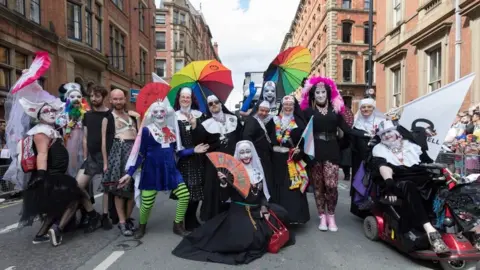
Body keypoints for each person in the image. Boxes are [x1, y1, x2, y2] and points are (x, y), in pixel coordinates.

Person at [172, 140, 293, 265]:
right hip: (240, 211)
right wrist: (224, 183)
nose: (246, 156)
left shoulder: (258, 170)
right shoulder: (232, 173)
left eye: (248, 152)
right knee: (249, 238)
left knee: (281, 214)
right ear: (238, 155)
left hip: (257, 208)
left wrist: (264, 208)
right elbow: (225, 197)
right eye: (242, 153)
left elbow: (261, 195)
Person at [369, 120, 450, 255]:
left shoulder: (411, 145)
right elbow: (383, 166)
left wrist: (444, 171)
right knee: (409, 186)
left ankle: (449, 227)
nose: (387, 135)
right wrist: (389, 182)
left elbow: (427, 161)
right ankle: (431, 232)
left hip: (421, 178)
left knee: (444, 187)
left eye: (389, 131)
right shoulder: (379, 149)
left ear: (396, 132)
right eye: (383, 134)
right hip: (399, 181)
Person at [120, 99, 198, 238]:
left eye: (162, 111)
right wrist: (129, 173)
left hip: (170, 171)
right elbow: (141, 154)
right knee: (147, 204)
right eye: (155, 112)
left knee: (184, 195)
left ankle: (177, 225)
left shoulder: (172, 130)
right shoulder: (147, 131)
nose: (159, 114)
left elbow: (178, 152)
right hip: (151, 172)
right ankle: (142, 226)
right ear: (152, 114)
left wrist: (194, 150)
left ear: (166, 113)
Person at [16, 96, 85, 246]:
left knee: (57, 205)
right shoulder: (41, 131)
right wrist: (41, 175)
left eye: (53, 110)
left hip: (57, 174)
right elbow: (42, 154)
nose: (52, 113)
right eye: (47, 111)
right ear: (39, 115)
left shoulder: (50, 130)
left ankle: (41, 235)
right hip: (50, 175)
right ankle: (58, 229)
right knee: (74, 199)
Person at [300, 76, 364, 231]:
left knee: (331, 185)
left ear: (327, 93)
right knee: (318, 186)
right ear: (313, 95)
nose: (320, 95)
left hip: (332, 150)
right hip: (314, 152)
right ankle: (322, 216)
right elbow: (301, 131)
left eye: (323, 92)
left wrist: (365, 134)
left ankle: (331, 215)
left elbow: (347, 130)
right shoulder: (308, 111)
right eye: (317, 93)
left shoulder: (335, 111)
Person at [193, 95, 242, 221]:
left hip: (233, 160)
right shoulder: (205, 125)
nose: (214, 105)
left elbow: (241, 138)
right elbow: (198, 142)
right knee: (214, 190)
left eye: (216, 102)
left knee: (234, 186)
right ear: (208, 108)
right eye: (210, 104)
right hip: (214, 163)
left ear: (221, 104)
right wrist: (194, 126)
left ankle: (235, 216)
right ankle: (214, 218)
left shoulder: (233, 119)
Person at [75, 85, 115, 231]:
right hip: (91, 157)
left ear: (103, 97)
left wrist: (107, 160)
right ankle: (92, 213)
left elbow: (108, 138)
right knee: (77, 186)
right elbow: (85, 138)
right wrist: (86, 157)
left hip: (107, 154)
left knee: (106, 187)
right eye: (91, 96)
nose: (93, 99)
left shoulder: (109, 115)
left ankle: (105, 215)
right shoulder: (87, 115)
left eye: (97, 96)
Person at [100, 89, 139, 236]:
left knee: (134, 189)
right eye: (115, 99)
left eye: (120, 99)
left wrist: (139, 118)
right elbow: (103, 141)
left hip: (133, 152)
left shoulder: (132, 116)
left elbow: (140, 134)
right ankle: (122, 222)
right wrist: (105, 163)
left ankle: (127, 218)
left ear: (125, 99)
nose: (118, 102)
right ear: (110, 100)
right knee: (119, 190)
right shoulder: (107, 117)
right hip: (118, 153)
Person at [269, 95, 310, 225]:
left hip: (291, 159)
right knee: (277, 188)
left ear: (294, 106)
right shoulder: (273, 120)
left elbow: (305, 142)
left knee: (291, 189)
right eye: (285, 105)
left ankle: (293, 218)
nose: (288, 107)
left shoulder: (299, 123)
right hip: (275, 159)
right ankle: (277, 217)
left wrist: (300, 152)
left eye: (290, 105)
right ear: (281, 106)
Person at [172, 87, 208, 230]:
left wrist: (194, 125)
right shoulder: (173, 117)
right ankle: (185, 221)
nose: (185, 99)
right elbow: (173, 144)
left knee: (198, 190)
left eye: (188, 97)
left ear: (191, 99)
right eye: (183, 97)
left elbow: (204, 136)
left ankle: (192, 219)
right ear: (179, 98)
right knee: (186, 191)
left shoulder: (199, 115)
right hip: (184, 158)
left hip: (199, 157)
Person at [56, 82, 89, 177]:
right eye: (72, 97)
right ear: (67, 98)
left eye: (79, 97)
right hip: (67, 143)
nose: (76, 99)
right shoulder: (61, 111)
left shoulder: (86, 113)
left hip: (82, 145)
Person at [242, 100, 274, 190]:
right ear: (256, 109)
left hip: (262, 155)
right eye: (262, 110)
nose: (264, 113)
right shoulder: (252, 120)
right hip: (257, 156)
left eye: (267, 111)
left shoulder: (258, 120)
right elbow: (246, 138)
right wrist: (253, 155)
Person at [351, 97, 385, 178]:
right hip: (359, 159)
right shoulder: (356, 123)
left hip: (376, 157)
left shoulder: (380, 122)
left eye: (369, 107)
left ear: (373, 108)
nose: (366, 109)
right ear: (360, 109)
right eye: (363, 107)